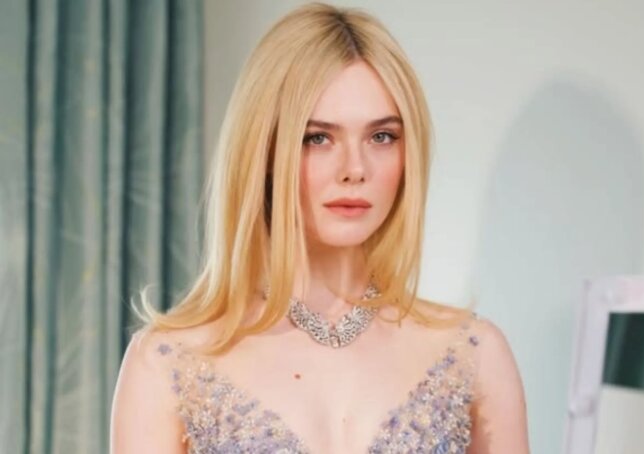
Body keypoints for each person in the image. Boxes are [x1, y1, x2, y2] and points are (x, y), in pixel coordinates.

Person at [110, 2, 529, 453]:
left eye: (381, 137)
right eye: (318, 138)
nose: (355, 169)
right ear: (264, 152)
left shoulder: (473, 356)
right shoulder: (170, 363)